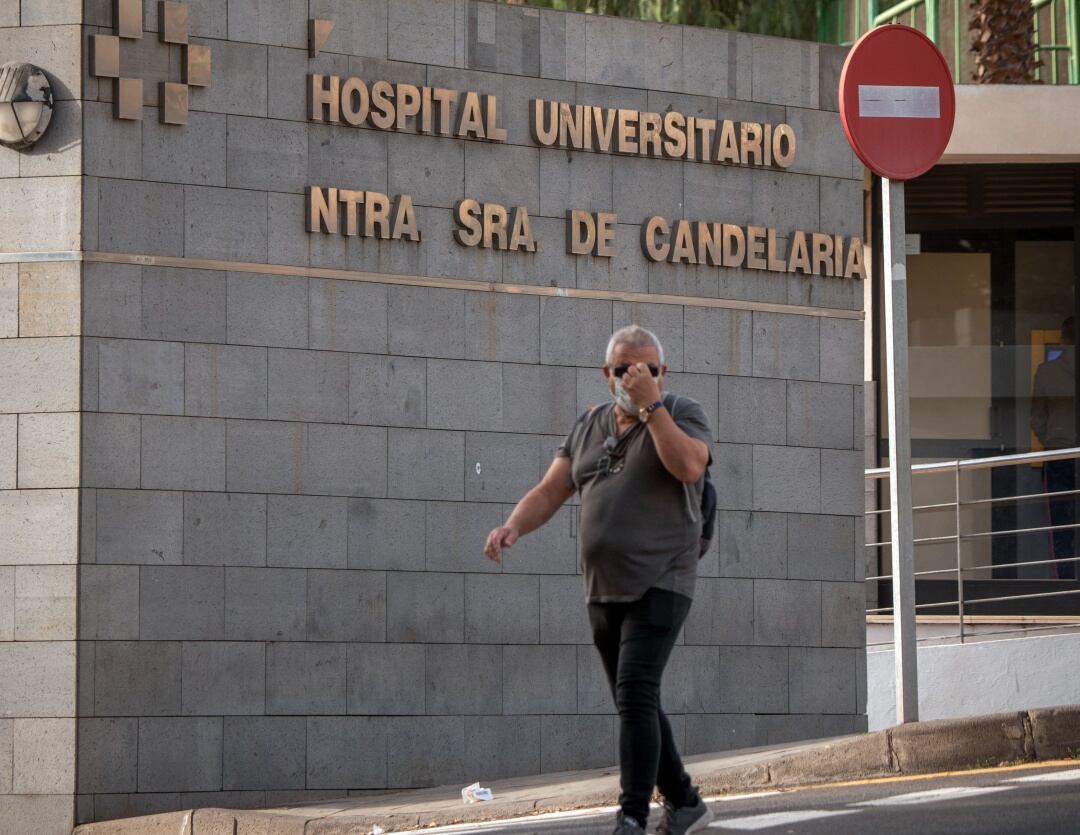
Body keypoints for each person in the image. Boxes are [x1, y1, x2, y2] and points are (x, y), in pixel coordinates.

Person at [484, 325, 715, 834]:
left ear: (663, 372)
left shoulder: (682, 412)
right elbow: (551, 489)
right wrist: (512, 526)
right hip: (602, 586)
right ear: (605, 375)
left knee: (635, 692)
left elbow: (689, 467)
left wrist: (652, 407)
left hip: (663, 578)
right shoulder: (588, 424)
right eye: (624, 371)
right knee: (636, 701)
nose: (635, 379)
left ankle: (631, 815)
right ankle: (685, 800)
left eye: (648, 370)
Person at [1031, 317, 1078, 580]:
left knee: (1060, 527)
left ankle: (1064, 583)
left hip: (1059, 456)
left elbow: (1037, 418)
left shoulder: (1046, 371)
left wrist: (1053, 439)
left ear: (1063, 340)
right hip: (1062, 451)